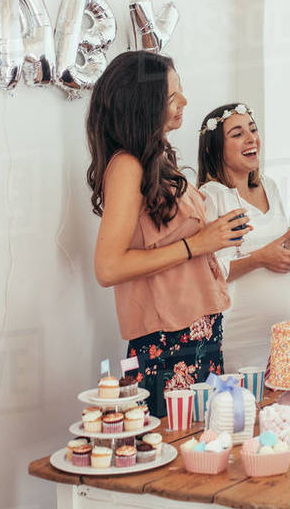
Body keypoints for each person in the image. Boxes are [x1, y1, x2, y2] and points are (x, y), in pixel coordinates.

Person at [85, 51, 247, 417]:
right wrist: (197, 244)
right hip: (169, 340)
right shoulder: (127, 167)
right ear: (143, 104)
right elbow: (107, 268)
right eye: (172, 96)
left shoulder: (157, 159)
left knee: (205, 439)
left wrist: (213, 236)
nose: (184, 101)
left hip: (199, 330)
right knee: (177, 443)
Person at [196, 103, 290, 372]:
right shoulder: (211, 196)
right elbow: (207, 272)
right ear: (214, 148)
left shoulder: (269, 186)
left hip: (286, 335)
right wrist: (260, 258)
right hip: (240, 338)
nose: (251, 139)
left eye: (253, 130)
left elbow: (279, 243)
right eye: (237, 134)